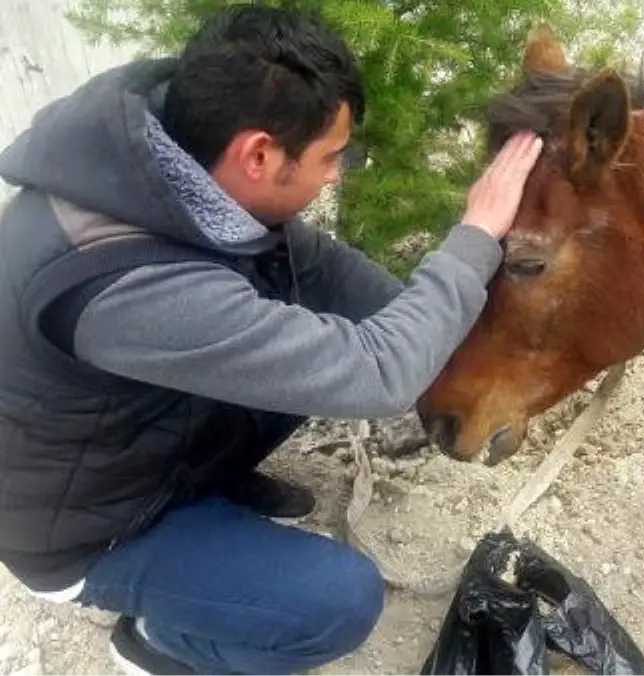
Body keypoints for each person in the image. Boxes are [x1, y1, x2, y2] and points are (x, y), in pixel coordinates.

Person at [0, 4, 542, 675]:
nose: (337, 176)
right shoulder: (122, 279)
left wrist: (455, 334)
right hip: (88, 526)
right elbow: (376, 377)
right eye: (330, 158)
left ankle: (210, 494)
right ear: (257, 154)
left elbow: (315, 265)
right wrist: (475, 236)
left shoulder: (174, 162)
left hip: (123, 440)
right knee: (338, 601)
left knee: (302, 323)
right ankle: (160, 641)